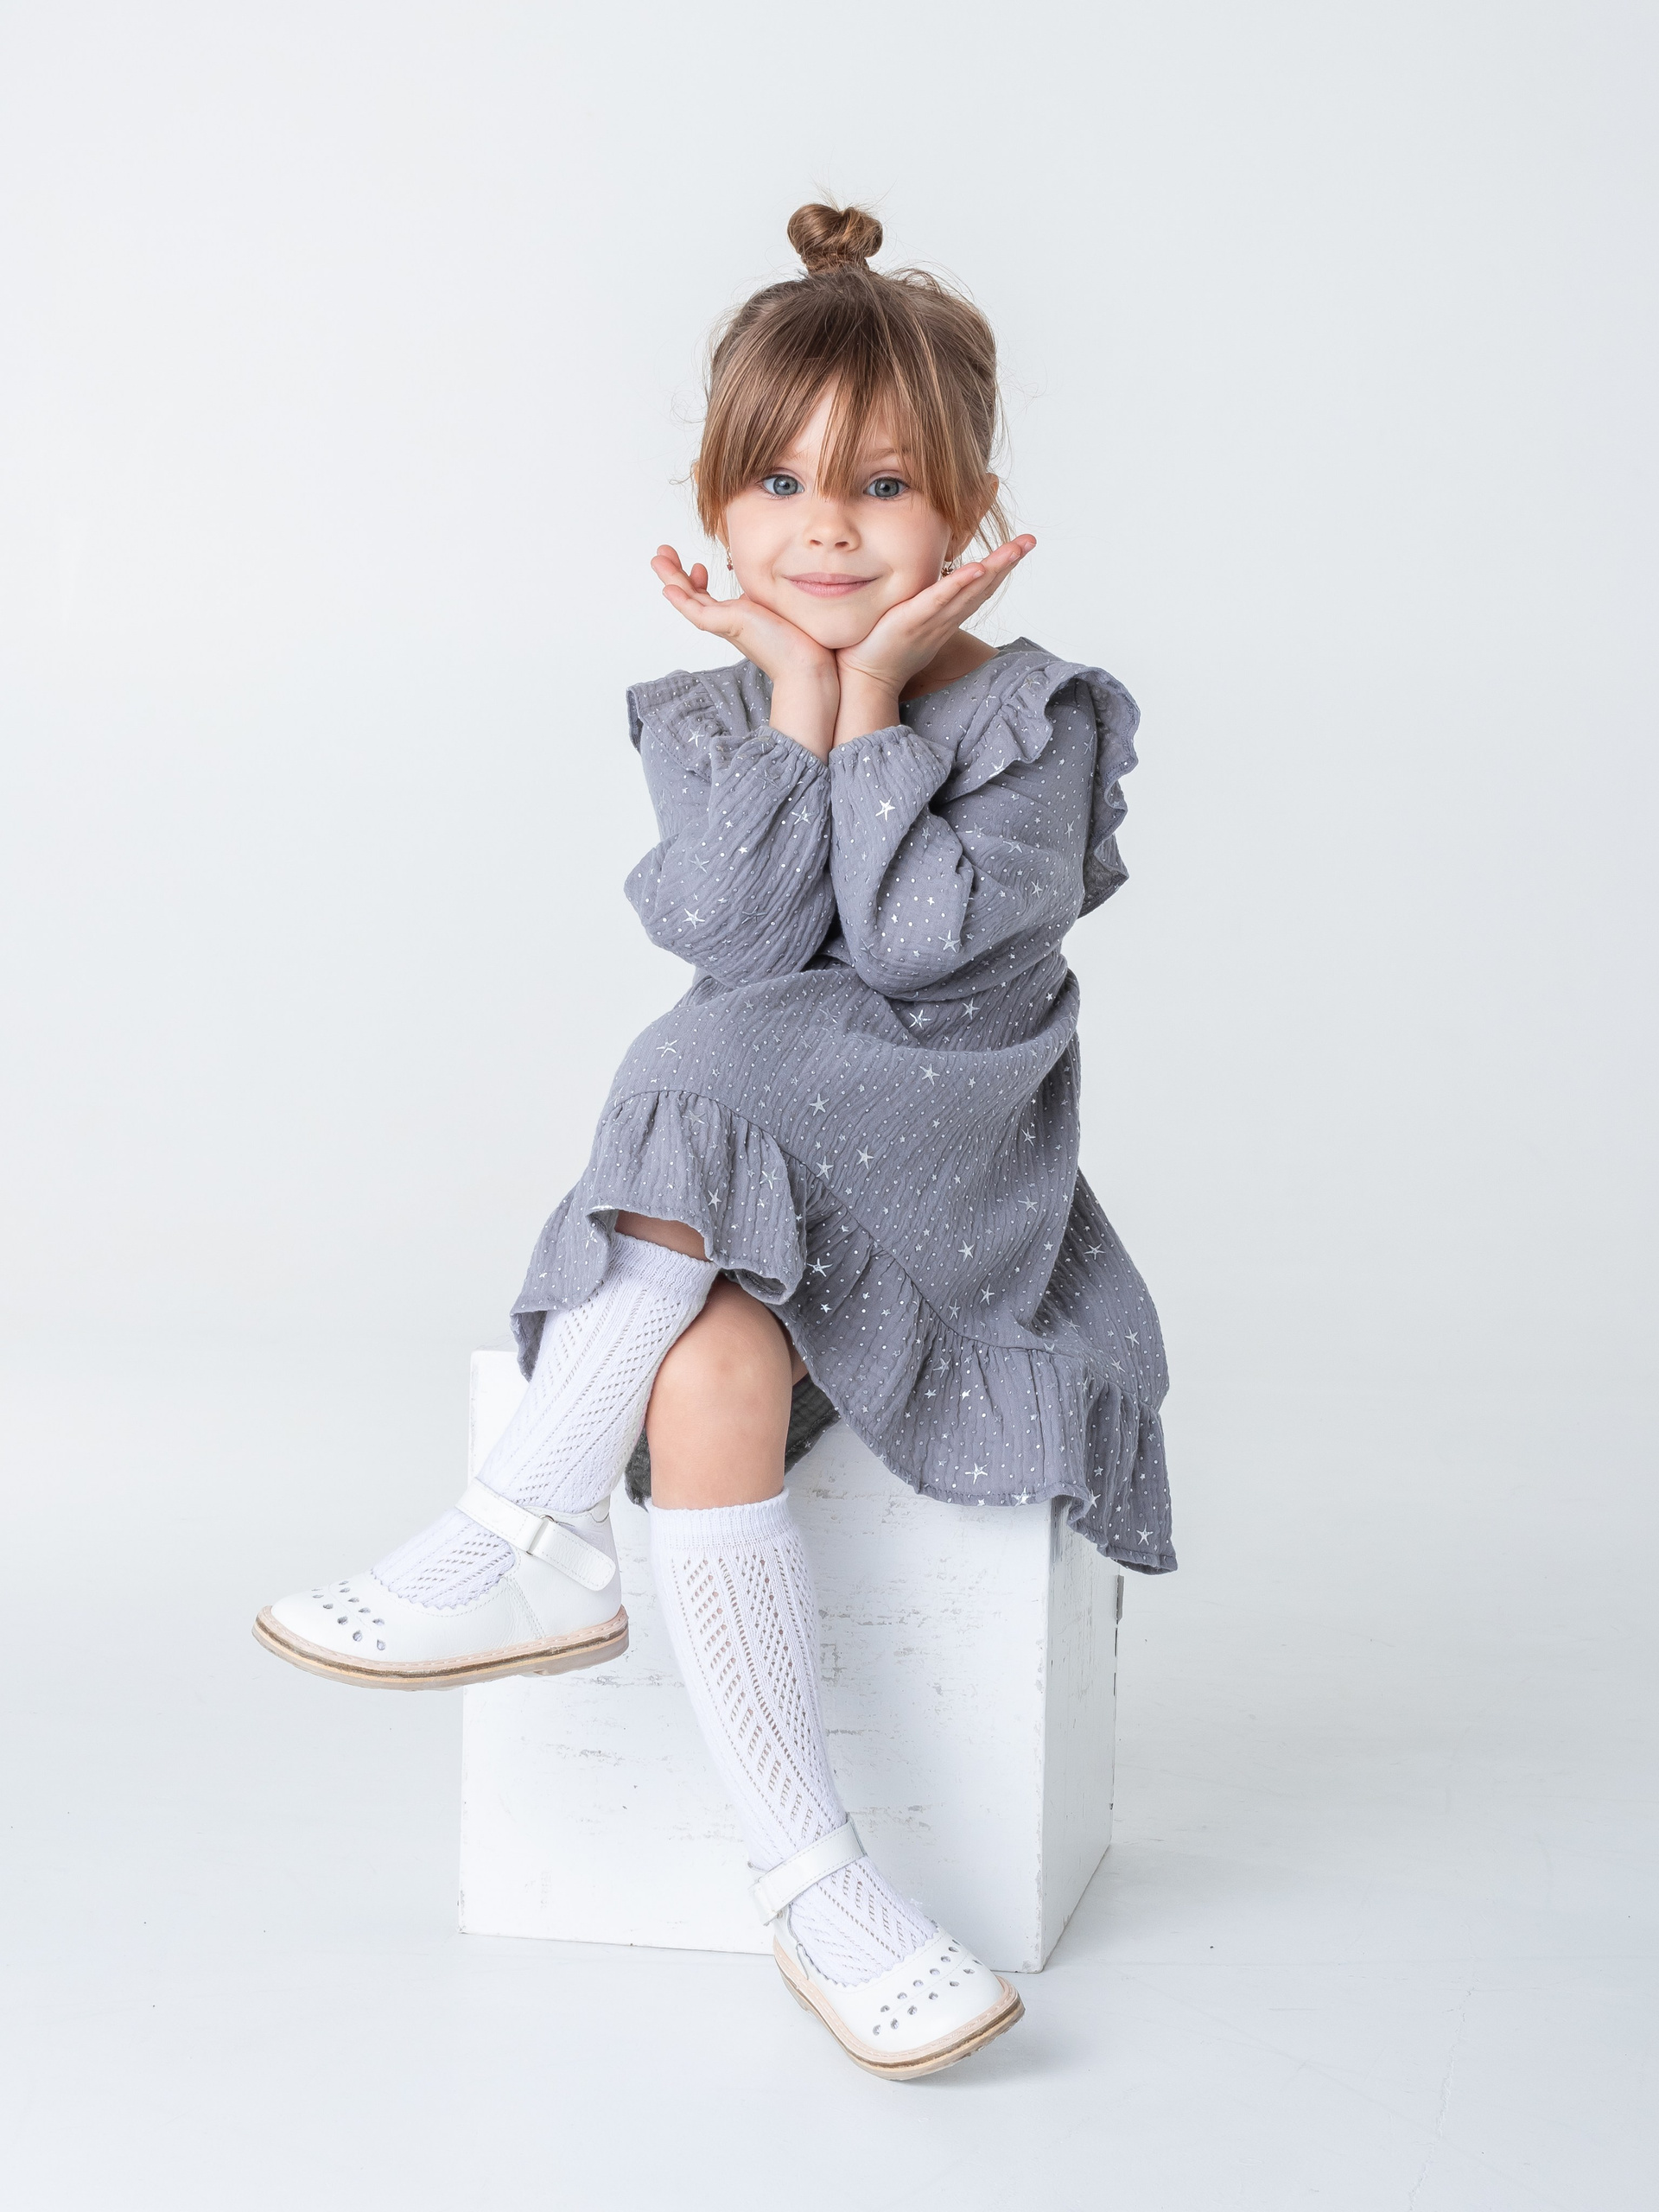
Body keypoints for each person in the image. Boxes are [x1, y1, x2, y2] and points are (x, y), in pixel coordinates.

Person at [256, 200, 1173, 2080]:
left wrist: (872, 700)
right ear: (716, 505)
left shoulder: (1035, 716)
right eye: (778, 483)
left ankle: (521, 1523)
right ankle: (812, 1879)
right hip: (758, 1200)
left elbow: (915, 953)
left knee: (702, 1051)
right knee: (709, 1365)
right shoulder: (707, 718)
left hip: (950, 1187)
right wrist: (797, 697)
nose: (826, 530)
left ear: (971, 509)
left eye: (884, 486)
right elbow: (744, 933)